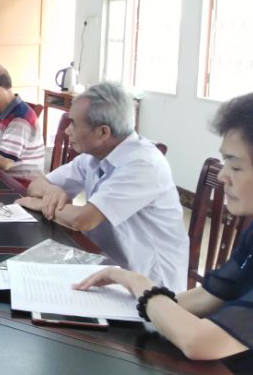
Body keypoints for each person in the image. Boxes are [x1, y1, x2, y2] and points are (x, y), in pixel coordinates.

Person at [73, 89, 253, 373]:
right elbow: (207, 297)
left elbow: (200, 342)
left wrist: (137, 282)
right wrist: (124, 307)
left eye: (235, 166)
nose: (222, 175)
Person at [16, 82, 188, 291]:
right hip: (104, 265)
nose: (67, 130)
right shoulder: (94, 156)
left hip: (149, 285)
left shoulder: (143, 164)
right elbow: (36, 184)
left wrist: (38, 203)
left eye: (73, 124)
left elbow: (83, 220)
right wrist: (51, 191)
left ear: (103, 132)